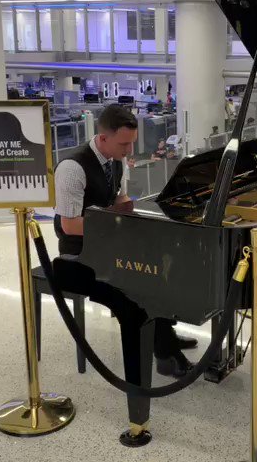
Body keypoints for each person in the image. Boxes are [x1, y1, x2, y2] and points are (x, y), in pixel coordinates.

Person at [54, 104, 197, 378]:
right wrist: (116, 224)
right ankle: (164, 352)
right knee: (142, 282)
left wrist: (134, 210)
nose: (130, 150)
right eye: (124, 143)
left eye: (132, 143)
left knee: (164, 262)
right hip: (77, 256)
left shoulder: (114, 159)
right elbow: (69, 226)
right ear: (103, 137)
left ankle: (164, 331)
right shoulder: (72, 168)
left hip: (107, 244)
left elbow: (117, 198)